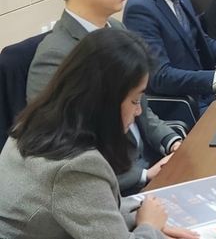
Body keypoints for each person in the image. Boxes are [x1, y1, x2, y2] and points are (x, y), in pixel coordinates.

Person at [26, 0, 182, 196]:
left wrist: (171, 142)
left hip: (150, 167)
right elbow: (64, 153)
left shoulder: (116, 29)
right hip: (112, 190)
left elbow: (141, 107)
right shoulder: (56, 57)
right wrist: (143, 175)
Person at [0, 29, 196, 239]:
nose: (138, 111)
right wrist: (150, 226)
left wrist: (142, 217)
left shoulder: (35, 123)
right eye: (134, 100)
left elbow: (92, 205)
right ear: (106, 101)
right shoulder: (76, 165)